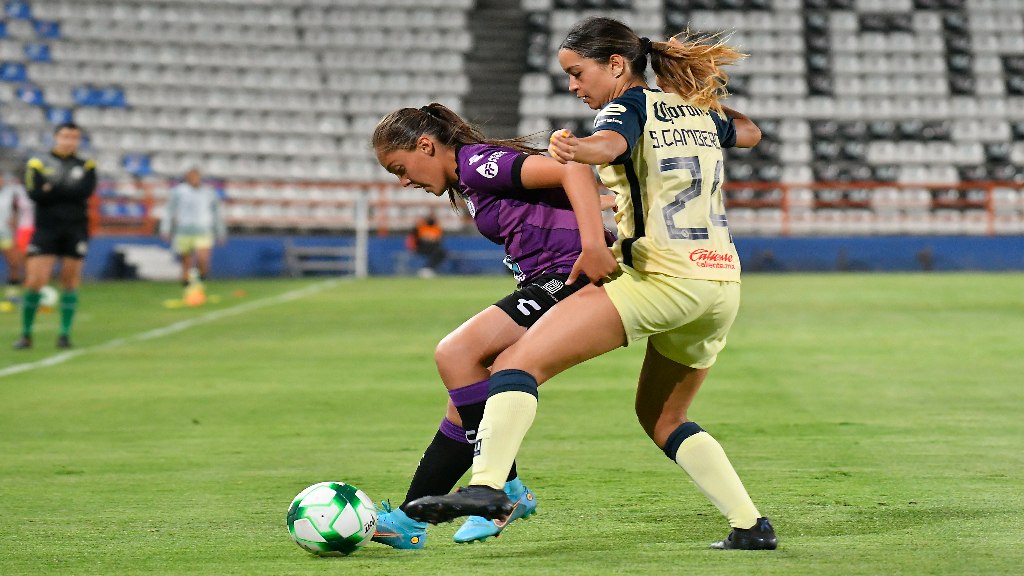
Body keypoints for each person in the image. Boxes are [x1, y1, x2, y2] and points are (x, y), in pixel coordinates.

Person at [405, 17, 778, 551]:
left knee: (514, 365)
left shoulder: (627, 105)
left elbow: (608, 143)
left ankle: (489, 489)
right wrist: (697, 100)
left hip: (663, 277)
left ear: (617, 66)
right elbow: (749, 132)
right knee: (663, 416)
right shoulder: (695, 113)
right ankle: (750, 526)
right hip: (721, 284)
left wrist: (578, 149)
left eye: (578, 73)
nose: (575, 86)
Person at [369, 102, 618, 549]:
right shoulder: (471, 175)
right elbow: (558, 193)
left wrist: (594, 244)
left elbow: (573, 170)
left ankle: (504, 493)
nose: (404, 181)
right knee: (466, 405)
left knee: (456, 353)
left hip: (566, 274)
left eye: (401, 168)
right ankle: (410, 521)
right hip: (547, 277)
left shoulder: (482, 165)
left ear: (426, 145)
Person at [15, 122, 97, 350]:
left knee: (70, 281)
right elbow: (35, 194)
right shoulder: (37, 163)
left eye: (74, 137)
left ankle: (64, 335)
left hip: (76, 229)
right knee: (34, 281)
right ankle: (26, 334)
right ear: (55, 137)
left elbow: (86, 192)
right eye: (65, 136)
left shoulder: (86, 164)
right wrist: (65, 191)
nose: (69, 141)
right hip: (47, 229)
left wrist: (52, 189)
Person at [159, 167, 226, 303]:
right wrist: (165, 228)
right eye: (191, 176)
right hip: (184, 230)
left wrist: (220, 231)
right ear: (187, 177)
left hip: (203, 230)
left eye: (196, 176)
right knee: (186, 263)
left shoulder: (209, 192)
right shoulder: (178, 191)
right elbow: (170, 210)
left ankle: (200, 283)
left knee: (203, 259)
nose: (194, 178)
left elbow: (216, 213)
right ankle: (188, 291)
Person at [0, 174, 30, 308]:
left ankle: (12, 295)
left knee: (14, 263)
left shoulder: (11, 192)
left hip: (5, 232)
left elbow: (18, 208)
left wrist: (15, 220)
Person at [406, 210, 446, 277]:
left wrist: (432, 240)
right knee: (435, 251)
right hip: (421, 248)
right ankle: (426, 269)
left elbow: (439, 241)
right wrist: (411, 247)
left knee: (441, 252)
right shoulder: (420, 227)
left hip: (433, 248)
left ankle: (428, 268)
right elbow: (412, 238)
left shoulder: (437, 228)